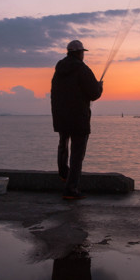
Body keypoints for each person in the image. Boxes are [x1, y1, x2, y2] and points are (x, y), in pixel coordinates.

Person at [50, 40, 103, 200]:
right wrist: (100, 87)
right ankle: (71, 189)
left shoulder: (58, 70)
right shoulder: (82, 69)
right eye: (83, 52)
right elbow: (94, 93)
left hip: (61, 118)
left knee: (63, 145)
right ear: (80, 53)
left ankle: (64, 174)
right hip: (79, 118)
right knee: (77, 154)